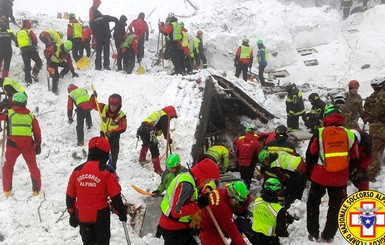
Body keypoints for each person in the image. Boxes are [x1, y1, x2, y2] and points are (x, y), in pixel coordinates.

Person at [306, 104, 359, 242]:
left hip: (319, 176)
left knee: (313, 203)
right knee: (335, 206)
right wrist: (347, 173)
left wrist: (309, 172)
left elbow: (311, 154)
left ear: (325, 117)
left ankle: (313, 233)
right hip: (340, 178)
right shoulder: (350, 134)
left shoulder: (320, 132)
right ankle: (328, 235)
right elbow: (355, 157)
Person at [66, 136, 127, 245]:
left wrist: (72, 214)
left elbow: (70, 196)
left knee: (88, 242)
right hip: (100, 215)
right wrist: (121, 211)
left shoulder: (77, 170)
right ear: (105, 154)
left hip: (82, 214)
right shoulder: (106, 171)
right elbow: (115, 196)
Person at [157, 158, 220, 244]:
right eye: (209, 179)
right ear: (203, 176)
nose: (208, 182)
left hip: (172, 226)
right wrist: (198, 204)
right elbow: (177, 211)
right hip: (173, 229)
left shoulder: (188, 178)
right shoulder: (187, 184)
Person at [1, 93, 42, 197]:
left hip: (12, 144)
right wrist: (38, 144)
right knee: (32, 165)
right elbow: (37, 132)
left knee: (8, 166)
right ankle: (36, 190)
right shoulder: (31, 115)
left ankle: (7, 190)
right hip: (28, 144)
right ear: (25, 103)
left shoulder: (9, 113)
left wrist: (1, 106)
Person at [90, 92, 127, 170]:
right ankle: (101, 168)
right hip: (103, 134)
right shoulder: (103, 108)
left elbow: (123, 127)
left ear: (119, 106)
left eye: (115, 106)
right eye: (111, 105)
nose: (113, 107)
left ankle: (112, 168)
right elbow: (93, 105)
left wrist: (112, 132)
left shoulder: (121, 115)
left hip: (114, 137)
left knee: (114, 153)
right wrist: (93, 97)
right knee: (101, 152)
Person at [137, 106, 177, 174]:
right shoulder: (165, 117)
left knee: (145, 144)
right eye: (172, 117)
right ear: (170, 114)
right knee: (154, 149)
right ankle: (157, 169)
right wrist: (168, 138)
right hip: (149, 130)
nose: (171, 119)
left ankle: (142, 159)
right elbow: (165, 130)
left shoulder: (159, 113)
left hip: (142, 129)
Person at [249, 178, 288, 245]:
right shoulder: (279, 210)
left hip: (254, 237)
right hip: (269, 241)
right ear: (277, 191)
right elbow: (280, 232)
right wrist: (285, 231)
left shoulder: (257, 201)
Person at [363, 76, 385, 181]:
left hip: (374, 128)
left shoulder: (369, 99)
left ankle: (370, 175)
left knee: (375, 152)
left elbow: (365, 114)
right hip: (383, 126)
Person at [15, 19, 42, 85]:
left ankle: (28, 81)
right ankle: (34, 73)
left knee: (27, 65)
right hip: (31, 49)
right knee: (38, 61)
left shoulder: (18, 33)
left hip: (23, 51)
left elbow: (16, 44)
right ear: (28, 24)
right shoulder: (29, 31)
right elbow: (35, 40)